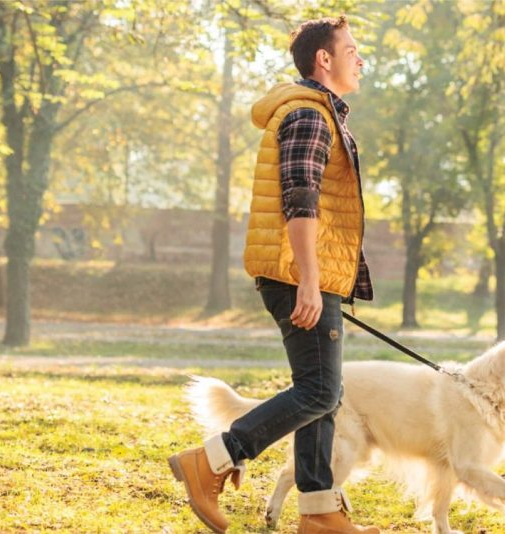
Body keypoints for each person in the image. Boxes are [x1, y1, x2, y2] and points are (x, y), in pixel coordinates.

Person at [168, 15, 379, 534]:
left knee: (322, 397)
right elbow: (300, 200)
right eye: (351, 49)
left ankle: (319, 512)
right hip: (297, 274)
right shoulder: (309, 115)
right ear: (323, 59)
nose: (360, 57)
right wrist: (309, 277)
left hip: (312, 274)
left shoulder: (321, 113)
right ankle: (214, 459)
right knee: (321, 393)